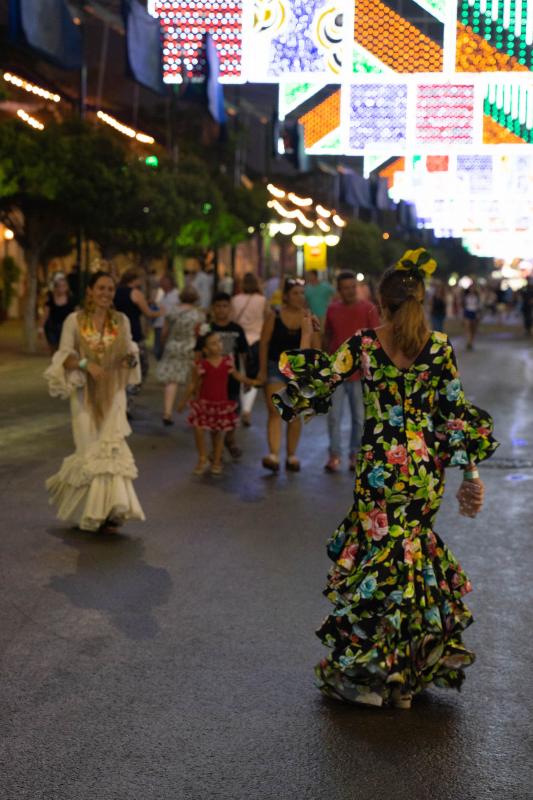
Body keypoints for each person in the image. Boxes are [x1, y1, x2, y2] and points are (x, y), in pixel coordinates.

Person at [273, 248, 498, 709]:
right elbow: (454, 415)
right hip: (422, 470)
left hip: (377, 467)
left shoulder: (364, 345)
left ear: (382, 301)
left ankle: (379, 674)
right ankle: (407, 674)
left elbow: (316, 388)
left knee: (380, 560)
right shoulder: (437, 347)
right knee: (412, 560)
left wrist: (309, 341)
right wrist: (470, 476)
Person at [44, 271, 145, 534]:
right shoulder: (74, 320)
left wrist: (130, 360)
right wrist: (88, 364)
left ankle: (109, 512)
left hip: (114, 393)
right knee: (89, 448)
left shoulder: (120, 321)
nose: (105, 293)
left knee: (110, 449)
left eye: (110, 289)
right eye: (100, 288)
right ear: (89, 290)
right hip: (85, 394)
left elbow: (130, 355)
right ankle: (88, 510)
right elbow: (64, 357)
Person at [258, 277, 321, 472]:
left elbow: (316, 346)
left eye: (302, 293)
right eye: (295, 293)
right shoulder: (275, 316)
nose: (299, 297)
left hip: (298, 372)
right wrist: (261, 370)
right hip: (275, 367)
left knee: (294, 413)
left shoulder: (309, 317)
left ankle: (291, 455)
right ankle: (274, 454)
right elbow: (264, 343)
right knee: (275, 410)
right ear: (286, 296)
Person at [323, 271, 380, 473]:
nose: (350, 291)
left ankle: (355, 453)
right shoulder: (332, 309)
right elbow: (327, 335)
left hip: (360, 372)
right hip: (337, 372)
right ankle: (334, 454)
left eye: (352, 287)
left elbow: (375, 338)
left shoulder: (368, 309)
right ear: (339, 290)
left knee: (359, 416)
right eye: (345, 288)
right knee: (334, 416)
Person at [180, 331, 259, 476]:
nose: (219, 345)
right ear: (205, 349)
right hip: (204, 405)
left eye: (219, 342)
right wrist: (183, 401)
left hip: (221, 405)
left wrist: (251, 382)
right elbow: (193, 384)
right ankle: (202, 458)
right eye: (214, 343)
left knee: (218, 435)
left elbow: (237, 375)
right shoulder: (201, 365)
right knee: (198, 429)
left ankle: (216, 461)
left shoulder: (227, 361)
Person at [197, 292, 248, 459]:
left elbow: (243, 353)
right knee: (214, 416)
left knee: (233, 411)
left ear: (230, 308)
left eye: (225, 306)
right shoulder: (207, 329)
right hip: (211, 381)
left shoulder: (236, 329)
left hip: (232, 379)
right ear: (213, 308)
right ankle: (215, 449)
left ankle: (230, 440)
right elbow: (198, 353)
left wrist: (246, 376)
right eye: (218, 306)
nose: (221, 310)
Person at [156, 286, 204, 425]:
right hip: (191, 347)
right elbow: (200, 333)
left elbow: (164, 332)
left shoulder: (173, 311)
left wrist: (163, 343)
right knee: (193, 380)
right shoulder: (199, 314)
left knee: (172, 380)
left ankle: (167, 412)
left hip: (173, 346)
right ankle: (195, 412)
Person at [230, 272, 268, 427]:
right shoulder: (262, 300)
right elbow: (267, 319)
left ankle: (240, 407)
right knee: (253, 376)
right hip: (257, 340)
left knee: (239, 374)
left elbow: (232, 320)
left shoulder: (235, 299)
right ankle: (247, 409)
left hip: (238, 341)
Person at [114, 269, 162, 383]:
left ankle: (124, 383)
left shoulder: (116, 291)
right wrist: (161, 312)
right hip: (134, 331)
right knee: (140, 363)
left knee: (123, 361)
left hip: (118, 330)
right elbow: (148, 313)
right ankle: (131, 387)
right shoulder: (135, 293)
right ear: (135, 280)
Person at [39, 273, 76, 354]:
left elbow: (74, 315)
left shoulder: (70, 299)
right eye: (59, 286)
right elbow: (45, 314)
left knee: (64, 350)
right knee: (54, 350)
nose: (62, 288)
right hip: (52, 328)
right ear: (55, 287)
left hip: (66, 328)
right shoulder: (50, 300)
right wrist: (40, 328)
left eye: (64, 286)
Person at [153, 273, 180, 360]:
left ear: (169, 282)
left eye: (163, 281)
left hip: (168, 326)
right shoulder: (162, 294)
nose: (160, 283)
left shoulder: (176, 295)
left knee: (163, 351)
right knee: (157, 351)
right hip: (159, 325)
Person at [462, 283, 481, 350]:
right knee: (468, 327)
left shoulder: (477, 296)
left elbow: (478, 306)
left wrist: (478, 314)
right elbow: (463, 304)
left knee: (473, 329)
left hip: (474, 312)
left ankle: (471, 342)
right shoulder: (466, 296)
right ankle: (468, 341)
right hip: (467, 311)